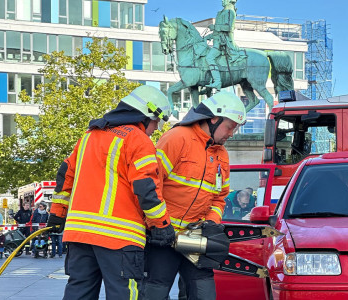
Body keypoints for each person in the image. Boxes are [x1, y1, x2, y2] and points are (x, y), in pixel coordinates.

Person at [46, 85, 175, 300]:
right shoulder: (137, 139)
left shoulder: (88, 136)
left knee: (79, 293)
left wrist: (57, 213)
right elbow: (146, 187)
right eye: (156, 124)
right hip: (119, 238)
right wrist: (161, 225)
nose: (155, 130)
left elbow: (65, 176)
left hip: (80, 234)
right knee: (125, 295)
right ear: (148, 114)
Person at [144, 91, 247, 300]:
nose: (232, 133)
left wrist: (210, 223)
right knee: (154, 291)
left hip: (195, 238)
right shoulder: (177, 138)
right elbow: (151, 184)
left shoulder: (222, 154)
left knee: (204, 293)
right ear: (214, 118)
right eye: (230, 126)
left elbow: (220, 197)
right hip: (163, 236)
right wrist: (158, 225)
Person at [204, 0, 238, 90]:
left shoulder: (230, 12)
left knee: (209, 58)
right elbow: (218, 32)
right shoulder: (221, 12)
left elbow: (228, 28)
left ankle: (217, 81)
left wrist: (214, 27)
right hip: (217, 41)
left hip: (224, 43)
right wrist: (208, 36)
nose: (222, 1)